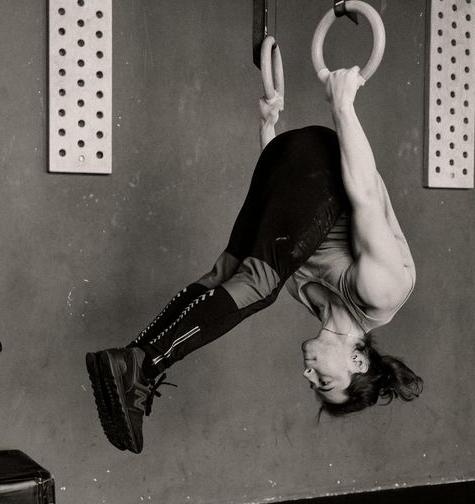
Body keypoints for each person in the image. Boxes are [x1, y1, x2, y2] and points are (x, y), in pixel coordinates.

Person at [85, 67, 423, 454]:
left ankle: (131, 356)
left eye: (312, 384)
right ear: (358, 363)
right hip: (327, 158)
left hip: (282, 160)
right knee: (260, 286)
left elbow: (286, 216)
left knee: (225, 274)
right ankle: (141, 367)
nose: (308, 374)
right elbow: (364, 193)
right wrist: (344, 105)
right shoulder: (382, 293)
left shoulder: (312, 299)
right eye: (323, 381)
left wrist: (268, 129)